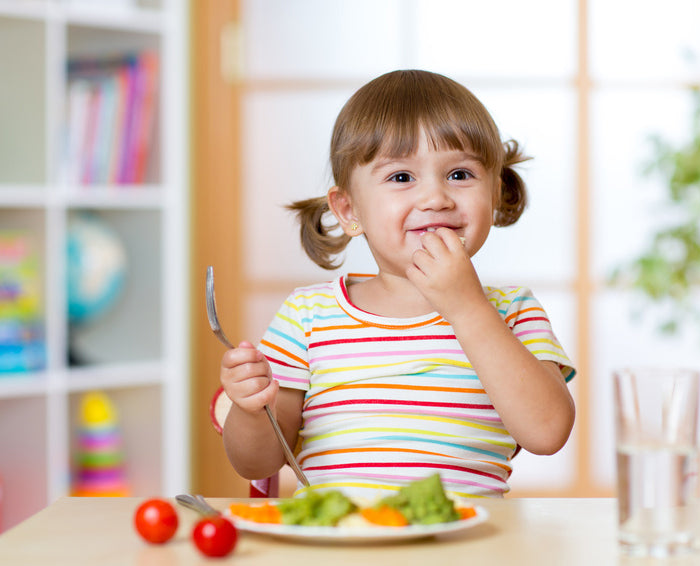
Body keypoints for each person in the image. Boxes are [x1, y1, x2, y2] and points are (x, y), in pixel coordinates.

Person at [220, 69, 576, 500]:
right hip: (344, 541)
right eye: (402, 177)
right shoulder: (308, 316)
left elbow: (547, 433)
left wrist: (466, 307)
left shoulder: (513, 310)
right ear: (349, 209)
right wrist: (250, 409)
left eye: (460, 174)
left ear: (495, 192)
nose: (435, 198)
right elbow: (257, 463)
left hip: (466, 543)